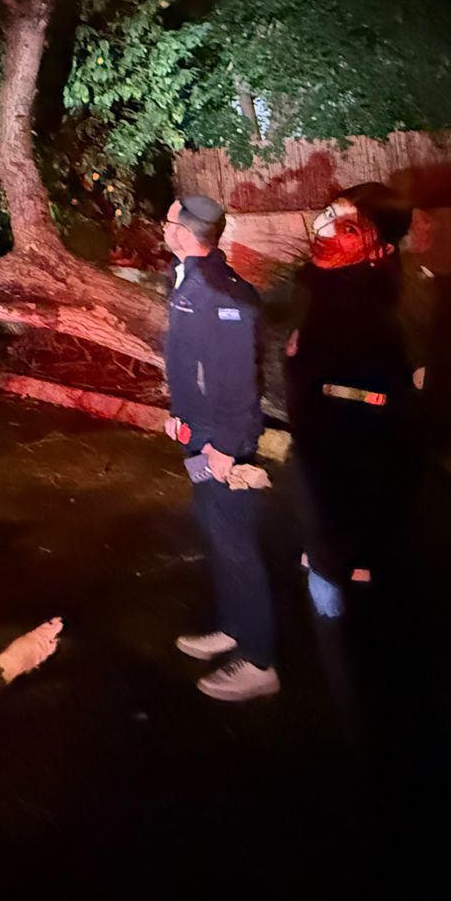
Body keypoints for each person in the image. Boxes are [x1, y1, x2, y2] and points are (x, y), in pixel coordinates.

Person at [282, 183, 427, 623]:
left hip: (362, 430)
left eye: (341, 221)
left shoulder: (393, 294)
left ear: (372, 241)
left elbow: (405, 375)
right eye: (325, 213)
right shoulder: (318, 284)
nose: (323, 225)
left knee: (363, 507)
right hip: (321, 424)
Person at [161, 192, 279, 702]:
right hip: (202, 435)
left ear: (184, 232)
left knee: (237, 548)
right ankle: (234, 626)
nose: (161, 227)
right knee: (218, 535)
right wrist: (182, 417)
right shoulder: (190, 279)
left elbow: (236, 382)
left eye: (167, 220)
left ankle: (258, 660)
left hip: (223, 442)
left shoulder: (223, 294)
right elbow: (194, 364)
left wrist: (228, 448)